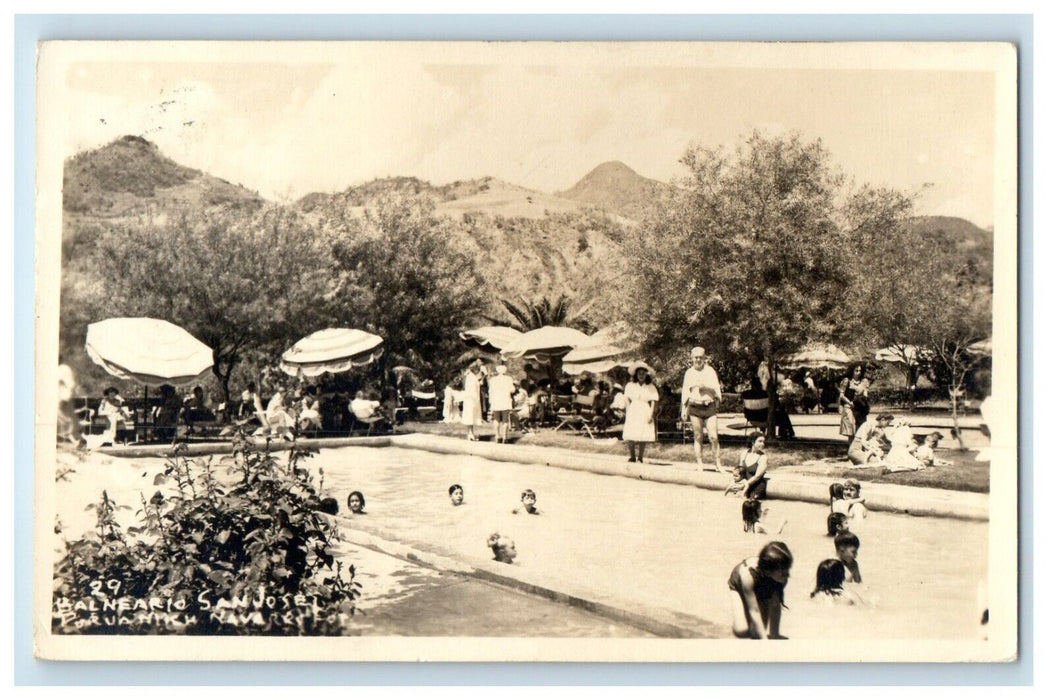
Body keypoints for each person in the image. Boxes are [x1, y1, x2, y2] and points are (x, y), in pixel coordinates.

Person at [728, 541, 793, 639]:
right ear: (767, 572)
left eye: (787, 570)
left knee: (758, 632)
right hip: (739, 586)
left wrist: (774, 635)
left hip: (764, 585)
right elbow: (754, 610)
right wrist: (765, 642)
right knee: (741, 630)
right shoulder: (747, 576)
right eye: (783, 573)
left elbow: (775, 605)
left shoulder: (781, 577)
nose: (787, 575)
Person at [681, 346, 723, 471]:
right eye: (696, 357)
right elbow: (685, 392)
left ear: (704, 358)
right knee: (698, 436)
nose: (698, 360)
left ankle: (717, 463)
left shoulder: (710, 371)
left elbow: (716, 390)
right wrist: (684, 409)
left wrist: (706, 388)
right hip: (695, 406)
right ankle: (700, 464)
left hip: (708, 406)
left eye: (701, 357)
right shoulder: (689, 373)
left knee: (713, 437)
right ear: (692, 358)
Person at [623, 363, 659, 463]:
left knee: (643, 433)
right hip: (633, 409)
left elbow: (653, 401)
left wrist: (651, 414)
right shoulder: (630, 385)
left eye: (643, 373)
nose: (641, 375)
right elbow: (626, 397)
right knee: (631, 433)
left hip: (644, 409)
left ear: (646, 375)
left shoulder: (650, 386)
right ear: (636, 375)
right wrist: (628, 409)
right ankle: (632, 456)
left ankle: (640, 457)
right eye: (639, 373)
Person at [56, 364, 86, 448]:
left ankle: (78, 441)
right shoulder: (61, 370)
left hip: (62, 398)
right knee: (65, 422)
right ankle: (76, 441)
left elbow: (69, 384)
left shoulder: (63, 369)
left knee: (67, 422)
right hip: (60, 398)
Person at [488, 364, 516, 444]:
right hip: (505, 400)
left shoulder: (493, 380)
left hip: (496, 400)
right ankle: (504, 437)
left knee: (496, 418)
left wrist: (490, 400)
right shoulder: (508, 379)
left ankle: (497, 436)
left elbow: (490, 391)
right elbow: (512, 390)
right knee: (505, 419)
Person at [738, 431, 770, 500]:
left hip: (756, 487)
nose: (763, 444)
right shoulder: (744, 453)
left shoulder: (763, 457)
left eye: (763, 442)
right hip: (745, 485)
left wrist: (744, 485)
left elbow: (757, 477)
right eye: (760, 441)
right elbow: (739, 471)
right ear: (753, 442)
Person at [837, 365, 863, 443]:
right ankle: (850, 447)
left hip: (858, 407)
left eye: (860, 371)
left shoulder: (862, 382)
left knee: (859, 428)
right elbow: (841, 395)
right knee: (850, 428)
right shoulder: (847, 381)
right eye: (856, 370)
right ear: (852, 371)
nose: (858, 373)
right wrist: (849, 402)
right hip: (848, 406)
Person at [461, 360, 484, 441]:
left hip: (473, 399)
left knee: (472, 416)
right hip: (471, 399)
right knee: (470, 416)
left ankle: (471, 433)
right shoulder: (470, 377)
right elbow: (471, 390)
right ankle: (470, 433)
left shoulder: (472, 377)